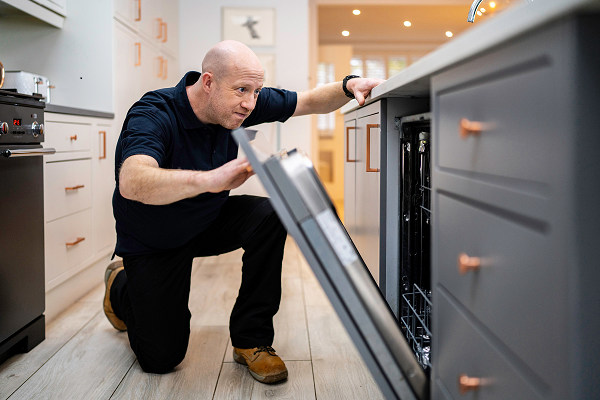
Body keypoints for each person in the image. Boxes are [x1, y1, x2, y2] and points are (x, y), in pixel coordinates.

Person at [103, 40, 383, 384]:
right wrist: (213, 179)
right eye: (242, 91)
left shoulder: (239, 101)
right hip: (155, 239)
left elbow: (309, 100)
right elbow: (132, 181)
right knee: (162, 358)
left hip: (207, 220)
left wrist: (349, 85)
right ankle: (120, 284)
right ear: (208, 83)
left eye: (256, 91)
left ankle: (252, 340)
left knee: (271, 213)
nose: (250, 103)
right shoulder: (154, 113)